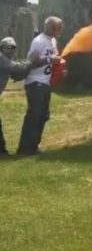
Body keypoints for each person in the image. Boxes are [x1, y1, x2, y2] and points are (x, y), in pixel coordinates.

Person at [16, 17, 65, 156]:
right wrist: (50, 59)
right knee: (34, 114)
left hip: (45, 83)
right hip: (35, 82)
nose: (60, 30)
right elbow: (31, 61)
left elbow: (53, 61)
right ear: (51, 27)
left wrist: (60, 69)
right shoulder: (39, 41)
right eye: (58, 27)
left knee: (43, 115)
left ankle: (34, 146)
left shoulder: (53, 41)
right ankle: (24, 148)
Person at [0, 37, 54, 156]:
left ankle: (1, 151)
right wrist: (32, 61)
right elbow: (17, 69)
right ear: (2, 48)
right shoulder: (2, 59)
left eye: (13, 48)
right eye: (9, 48)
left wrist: (31, 63)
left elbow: (19, 74)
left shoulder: (6, 60)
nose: (12, 51)